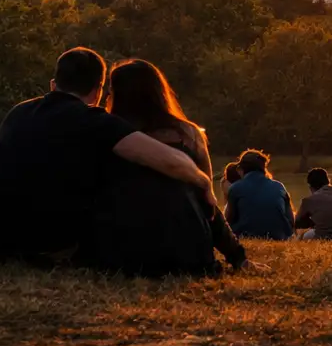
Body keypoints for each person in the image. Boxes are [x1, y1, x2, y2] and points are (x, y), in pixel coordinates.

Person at [0, 47, 215, 265]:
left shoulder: (18, 112)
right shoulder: (96, 123)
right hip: (51, 248)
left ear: (54, 84)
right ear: (97, 91)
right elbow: (170, 161)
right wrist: (203, 181)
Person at [86, 58, 247, 275]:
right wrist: (237, 256)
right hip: (187, 253)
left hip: (121, 255)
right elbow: (206, 202)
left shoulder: (105, 134)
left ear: (116, 94)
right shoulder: (189, 134)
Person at [226, 150, 295, 240]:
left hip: (246, 236)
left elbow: (228, 219)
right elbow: (290, 219)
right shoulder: (279, 186)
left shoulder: (235, 188)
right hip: (279, 236)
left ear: (240, 169)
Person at [295, 167, 332, 241]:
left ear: (310, 186)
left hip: (327, 238)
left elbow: (297, 222)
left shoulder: (309, 201)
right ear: (328, 181)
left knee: (303, 235)